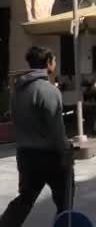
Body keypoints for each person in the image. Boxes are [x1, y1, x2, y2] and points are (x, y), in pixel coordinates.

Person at [0, 46, 73, 227]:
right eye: (54, 60)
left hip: (25, 155)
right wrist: (65, 152)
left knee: (25, 199)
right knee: (65, 199)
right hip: (49, 156)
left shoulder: (18, 91)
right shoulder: (48, 90)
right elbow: (56, 127)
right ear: (48, 62)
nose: (55, 64)